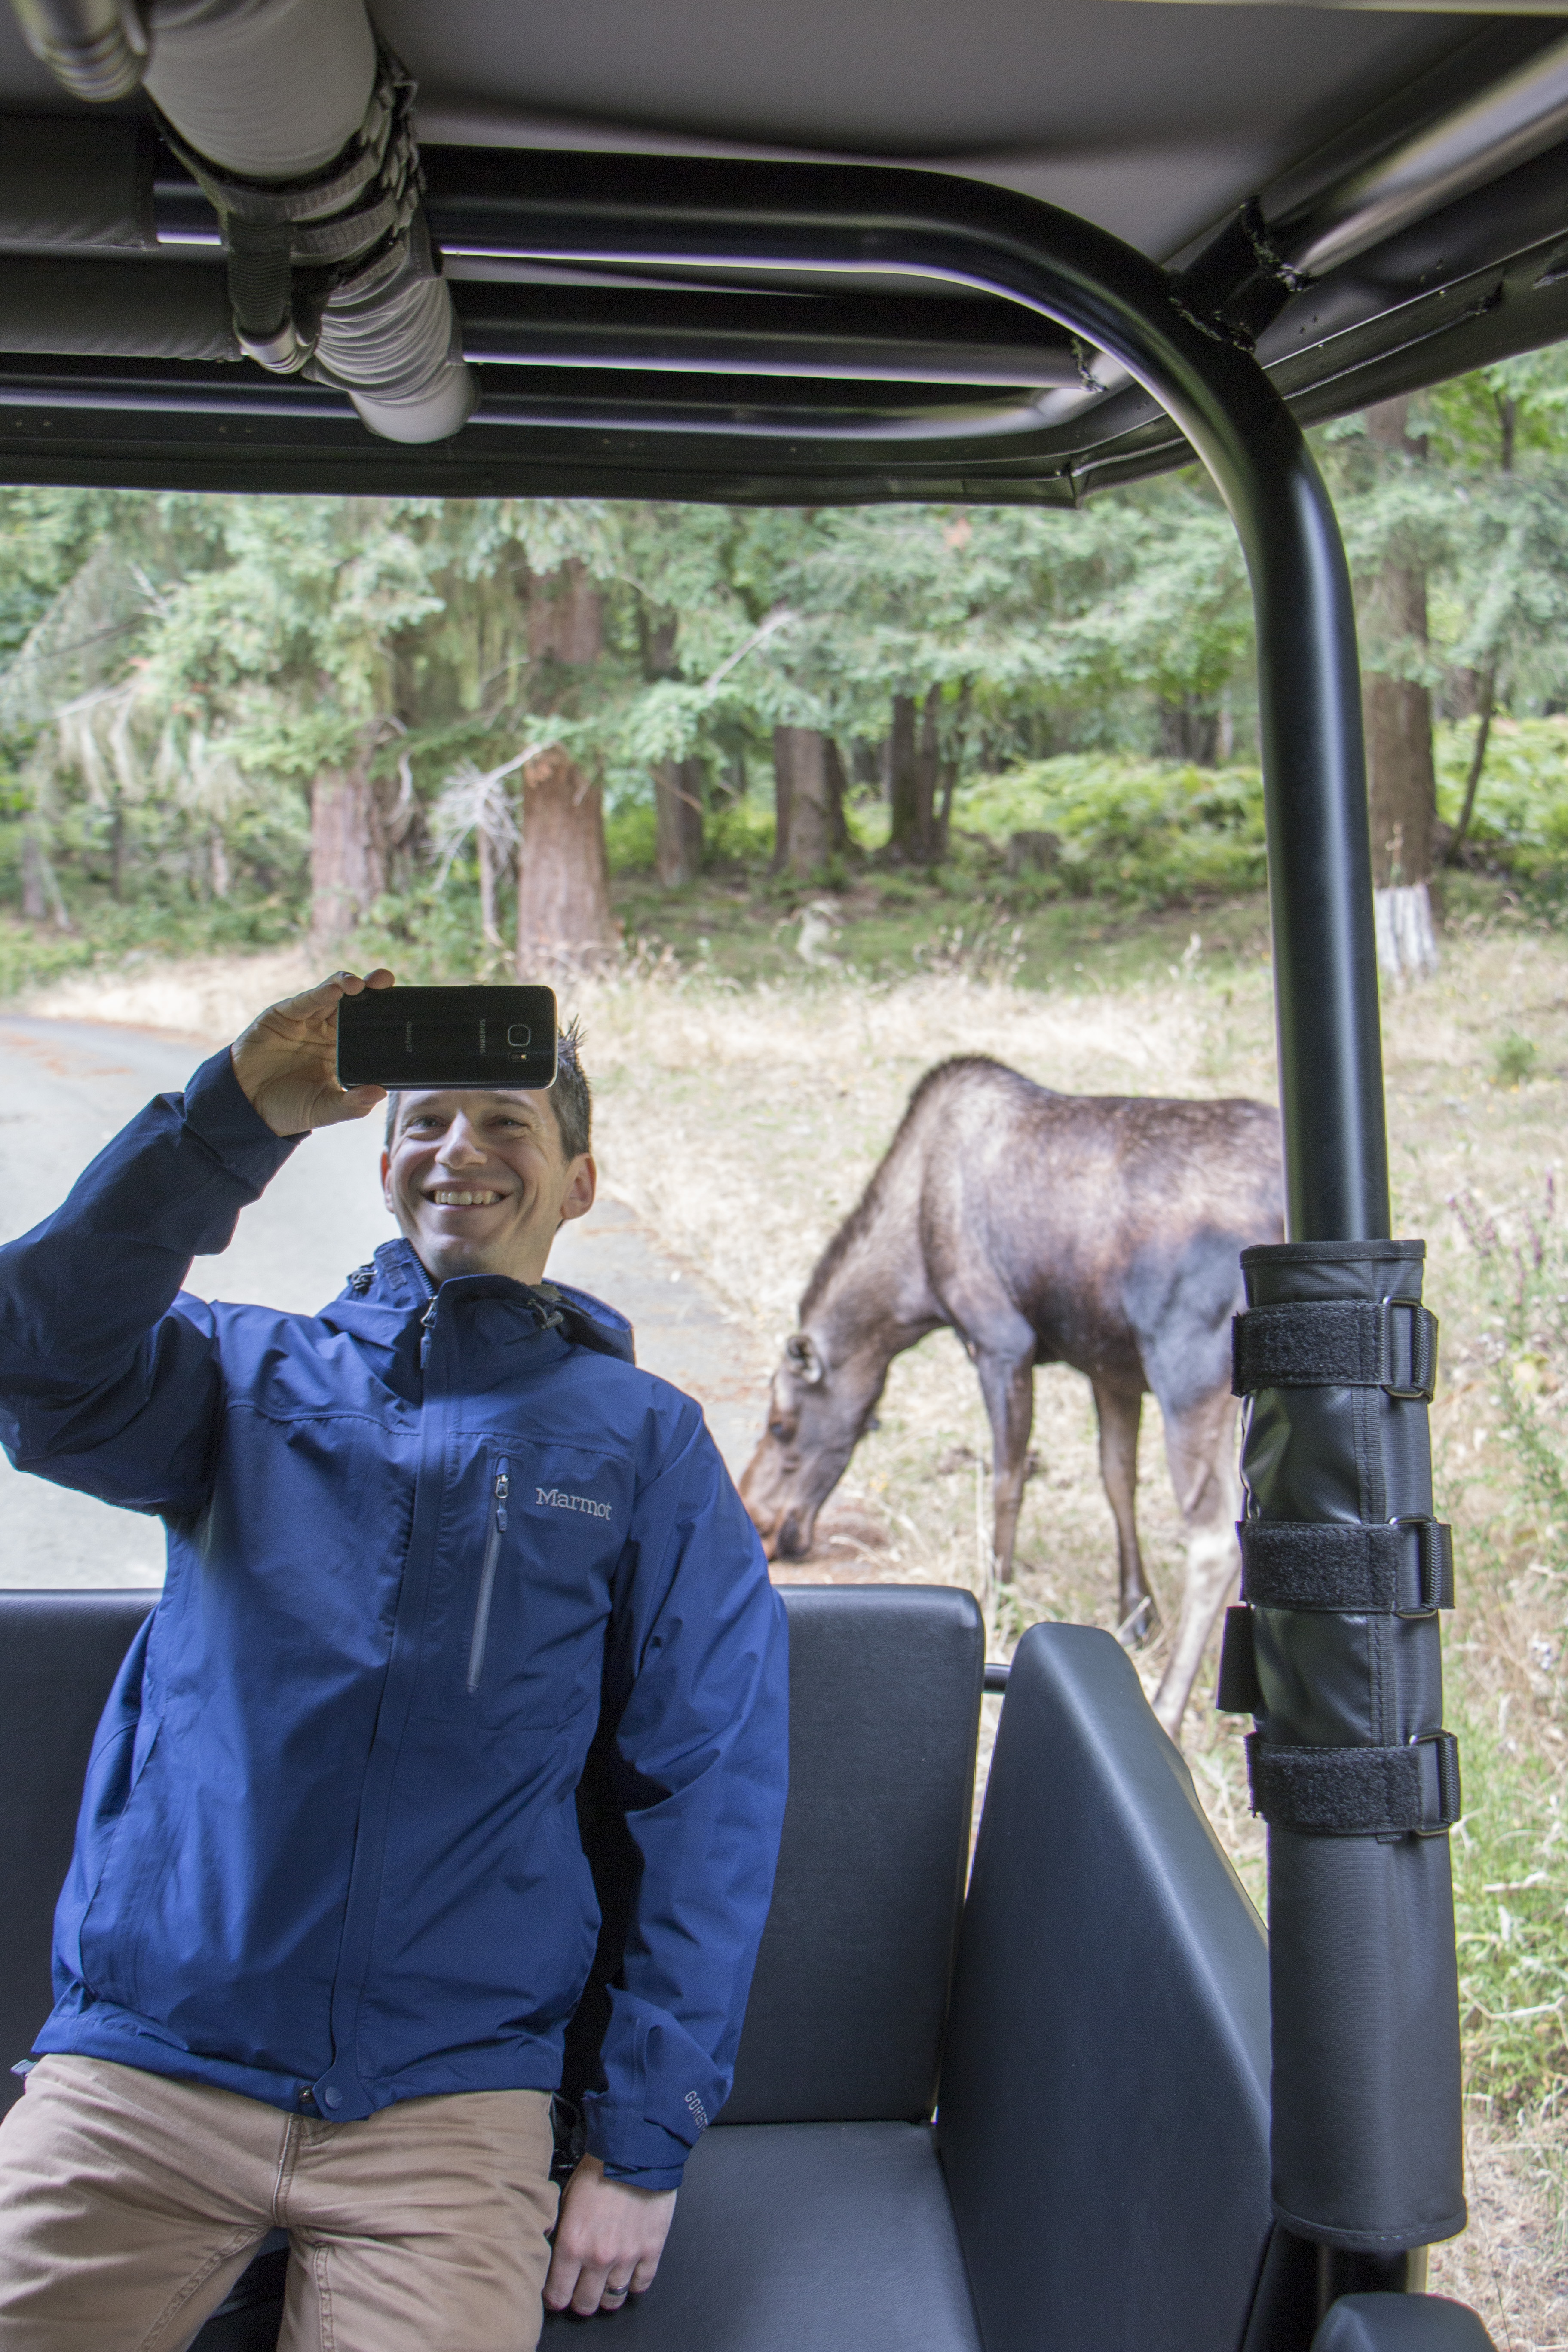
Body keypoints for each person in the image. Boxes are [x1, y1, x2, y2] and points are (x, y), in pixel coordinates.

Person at [0, 969, 790, 2352]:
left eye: (508, 1122)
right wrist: (228, 1120)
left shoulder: (644, 1443)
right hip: (147, 2074)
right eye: (427, 1122)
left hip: (450, 2105)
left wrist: (639, 2142)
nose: (461, 1151)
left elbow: (712, 1782)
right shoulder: (236, 1383)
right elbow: (39, 1362)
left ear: (579, 1182)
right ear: (380, 1165)